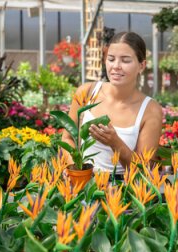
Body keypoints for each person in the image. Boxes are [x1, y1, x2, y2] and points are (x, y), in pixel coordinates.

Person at [62, 31, 163, 175]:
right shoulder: (87, 93)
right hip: (82, 186)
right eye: (111, 59)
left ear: (141, 65)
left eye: (125, 60)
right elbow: (67, 138)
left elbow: (144, 170)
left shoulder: (150, 110)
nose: (116, 66)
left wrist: (115, 142)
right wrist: (76, 169)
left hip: (121, 191)